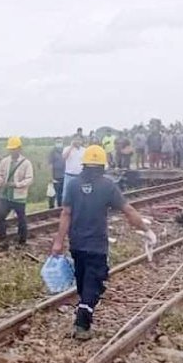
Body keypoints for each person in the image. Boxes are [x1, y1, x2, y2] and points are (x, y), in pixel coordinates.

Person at [51, 145, 156, 340]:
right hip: (97, 245)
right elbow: (129, 211)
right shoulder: (108, 186)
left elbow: (65, 213)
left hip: (77, 244)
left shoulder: (73, 185)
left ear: (84, 165)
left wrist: (58, 242)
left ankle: (83, 316)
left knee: (84, 282)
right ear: (102, 165)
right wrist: (146, 230)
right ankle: (82, 323)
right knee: (94, 284)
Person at [0, 136, 34, 247]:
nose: (12, 151)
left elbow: (29, 179)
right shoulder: (5, 161)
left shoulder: (26, 163)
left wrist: (17, 185)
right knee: (1, 216)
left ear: (19, 148)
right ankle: (3, 239)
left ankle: (22, 240)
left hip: (19, 196)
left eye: (14, 149)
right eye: (11, 149)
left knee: (21, 218)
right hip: (5, 195)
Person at [62, 135, 85, 204]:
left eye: (79, 140)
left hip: (80, 176)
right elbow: (64, 157)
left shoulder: (84, 150)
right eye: (76, 139)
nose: (77, 141)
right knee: (66, 193)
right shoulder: (67, 148)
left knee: (80, 193)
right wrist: (71, 147)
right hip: (69, 175)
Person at [48, 140, 65, 209]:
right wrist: (50, 176)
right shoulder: (52, 152)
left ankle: (60, 207)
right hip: (55, 176)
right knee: (55, 193)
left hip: (64, 175)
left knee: (61, 193)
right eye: (57, 142)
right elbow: (50, 165)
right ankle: (53, 207)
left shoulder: (64, 151)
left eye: (60, 142)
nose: (59, 143)